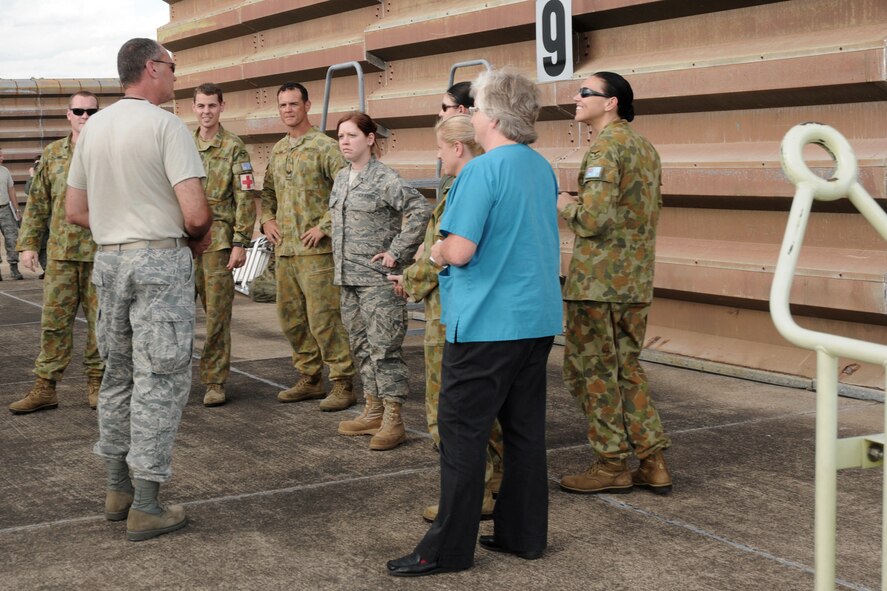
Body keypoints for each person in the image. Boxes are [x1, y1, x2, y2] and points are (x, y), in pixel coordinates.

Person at [387, 69, 563, 576]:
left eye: (475, 106)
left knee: (463, 435)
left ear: (489, 114)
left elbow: (459, 250)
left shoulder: (482, 172)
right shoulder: (538, 166)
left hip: (487, 323)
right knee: (525, 433)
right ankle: (523, 535)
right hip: (535, 319)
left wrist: (437, 248)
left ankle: (446, 549)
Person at [65, 38, 212, 542]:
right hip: (158, 261)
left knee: (118, 375)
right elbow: (195, 214)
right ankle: (146, 505)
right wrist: (195, 235)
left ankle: (117, 488)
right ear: (152, 68)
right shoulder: (166, 125)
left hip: (109, 260)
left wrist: (118, 222)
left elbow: (75, 212)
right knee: (161, 378)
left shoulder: (94, 128)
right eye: (171, 67)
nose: (174, 76)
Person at [556, 71, 672, 495]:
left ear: (611, 103)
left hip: (598, 284)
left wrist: (565, 204)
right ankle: (652, 460)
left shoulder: (606, 147)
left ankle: (610, 464)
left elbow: (593, 219)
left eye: (586, 92)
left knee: (592, 371)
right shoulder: (644, 147)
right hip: (634, 280)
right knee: (627, 370)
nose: (577, 96)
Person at [388, 114, 501, 520]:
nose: (437, 154)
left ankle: (474, 493)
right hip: (467, 310)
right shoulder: (484, 181)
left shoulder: (464, 188)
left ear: (458, 147)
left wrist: (410, 280)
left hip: (447, 314)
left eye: (440, 146)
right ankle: (491, 483)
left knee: (447, 413)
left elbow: (445, 252)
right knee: (480, 408)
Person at [330, 112, 431, 451]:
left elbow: (419, 210)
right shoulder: (342, 178)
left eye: (352, 136)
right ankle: (372, 409)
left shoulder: (384, 178)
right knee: (360, 346)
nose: (344, 141)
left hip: (376, 282)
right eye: (341, 136)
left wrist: (397, 252)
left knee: (384, 349)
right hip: (348, 279)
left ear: (370, 139)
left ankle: (393, 419)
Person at [260, 82, 356, 411]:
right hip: (285, 251)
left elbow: (346, 190)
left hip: (316, 253)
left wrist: (324, 227)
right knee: (291, 319)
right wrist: (267, 220)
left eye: (293, 104)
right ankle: (310, 378)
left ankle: (342, 381)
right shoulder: (278, 150)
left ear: (307, 105)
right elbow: (268, 192)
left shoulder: (325, 147)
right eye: (282, 105)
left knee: (324, 319)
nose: (288, 109)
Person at [9, 92, 104, 414]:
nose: (85, 116)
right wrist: (27, 245)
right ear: (68, 114)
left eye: (91, 111)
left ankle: (98, 384)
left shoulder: (107, 153)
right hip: (61, 255)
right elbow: (37, 205)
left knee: (100, 324)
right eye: (79, 110)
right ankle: (45, 387)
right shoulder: (52, 155)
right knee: (54, 323)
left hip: (99, 253)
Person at [191, 83, 257, 407]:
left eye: (212, 106)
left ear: (222, 107)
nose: (206, 112)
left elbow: (245, 197)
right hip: (182, 242)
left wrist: (240, 242)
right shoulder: (182, 145)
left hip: (218, 241)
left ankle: (214, 381)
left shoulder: (234, 147)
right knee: (171, 315)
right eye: (201, 106)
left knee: (216, 315)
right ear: (193, 108)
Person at [0, 148, 23, 281]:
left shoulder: (5, 171)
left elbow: (11, 190)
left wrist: (17, 210)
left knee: (12, 238)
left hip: (5, 209)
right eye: (0, 155)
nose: (2, 157)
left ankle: (14, 267)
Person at [23, 157, 48, 277]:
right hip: (42, 218)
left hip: (52, 219)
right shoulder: (35, 179)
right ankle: (47, 269)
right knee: (42, 246)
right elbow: (29, 190)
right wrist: (33, 176)